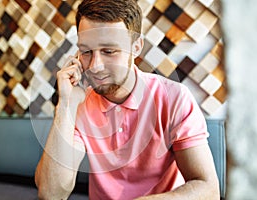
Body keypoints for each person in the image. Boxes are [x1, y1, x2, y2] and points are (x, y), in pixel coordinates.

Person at [34, 0, 220, 199]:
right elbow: (51, 194)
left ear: (136, 46)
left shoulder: (174, 98)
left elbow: (208, 189)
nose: (95, 66)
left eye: (109, 51)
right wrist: (65, 105)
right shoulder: (79, 103)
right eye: (86, 51)